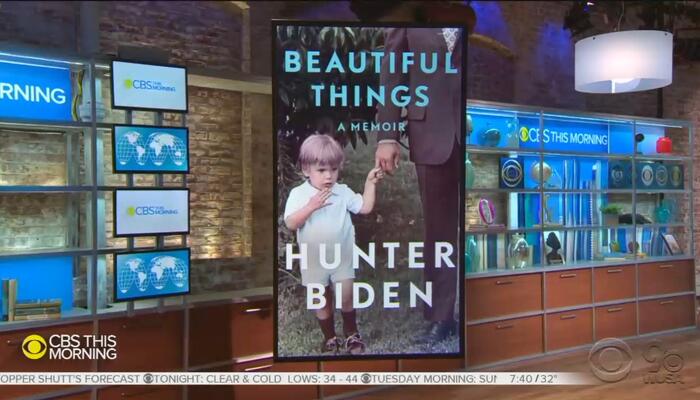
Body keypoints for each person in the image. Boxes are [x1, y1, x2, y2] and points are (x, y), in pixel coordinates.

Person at [374, 24, 464, 341]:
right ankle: (441, 316)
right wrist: (387, 136)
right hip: (430, 132)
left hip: (477, 130)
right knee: (439, 230)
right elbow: (392, 75)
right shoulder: (408, 15)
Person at [284, 134, 384, 354]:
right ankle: (330, 338)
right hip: (314, 257)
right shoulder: (299, 194)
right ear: (306, 170)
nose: (329, 176)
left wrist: (370, 183)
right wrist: (310, 206)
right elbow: (291, 223)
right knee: (321, 299)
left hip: (341, 255)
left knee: (346, 295)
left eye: (334, 169)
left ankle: (351, 334)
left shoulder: (342, 192)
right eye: (321, 170)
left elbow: (365, 207)